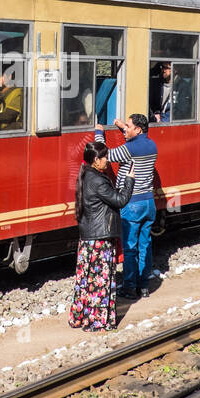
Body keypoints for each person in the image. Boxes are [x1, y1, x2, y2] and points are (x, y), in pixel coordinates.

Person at [69, 140, 135, 332]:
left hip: (89, 237)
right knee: (100, 280)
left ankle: (81, 317)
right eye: (104, 157)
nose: (107, 160)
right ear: (96, 160)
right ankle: (97, 321)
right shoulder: (98, 180)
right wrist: (129, 180)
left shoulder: (86, 175)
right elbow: (120, 200)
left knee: (86, 279)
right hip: (100, 238)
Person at [96, 114, 159, 299]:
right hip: (149, 203)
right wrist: (123, 126)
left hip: (132, 203)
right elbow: (134, 138)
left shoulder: (129, 149)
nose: (126, 130)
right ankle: (144, 286)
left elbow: (105, 155)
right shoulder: (151, 145)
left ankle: (130, 287)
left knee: (130, 247)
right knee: (145, 244)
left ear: (138, 130)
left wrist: (99, 132)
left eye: (128, 126)